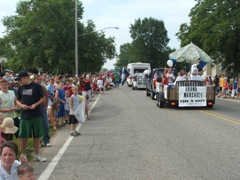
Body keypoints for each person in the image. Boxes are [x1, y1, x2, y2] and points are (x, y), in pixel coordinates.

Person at [16, 70, 46, 162]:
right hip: (25, 115)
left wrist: (36, 105)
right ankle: (23, 154)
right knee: (23, 136)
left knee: (37, 135)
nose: (19, 82)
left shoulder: (37, 86)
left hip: (36, 114)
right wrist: (22, 106)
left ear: (25, 77)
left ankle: (37, 154)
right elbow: (17, 100)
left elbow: (43, 98)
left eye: (20, 79)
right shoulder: (20, 88)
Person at [33, 75, 51, 147]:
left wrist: (46, 106)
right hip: (35, 109)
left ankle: (46, 140)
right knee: (37, 126)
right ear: (34, 80)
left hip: (42, 108)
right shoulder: (33, 88)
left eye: (40, 79)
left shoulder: (43, 88)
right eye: (37, 79)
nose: (39, 80)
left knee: (46, 125)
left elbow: (46, 97)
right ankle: (38, 142)